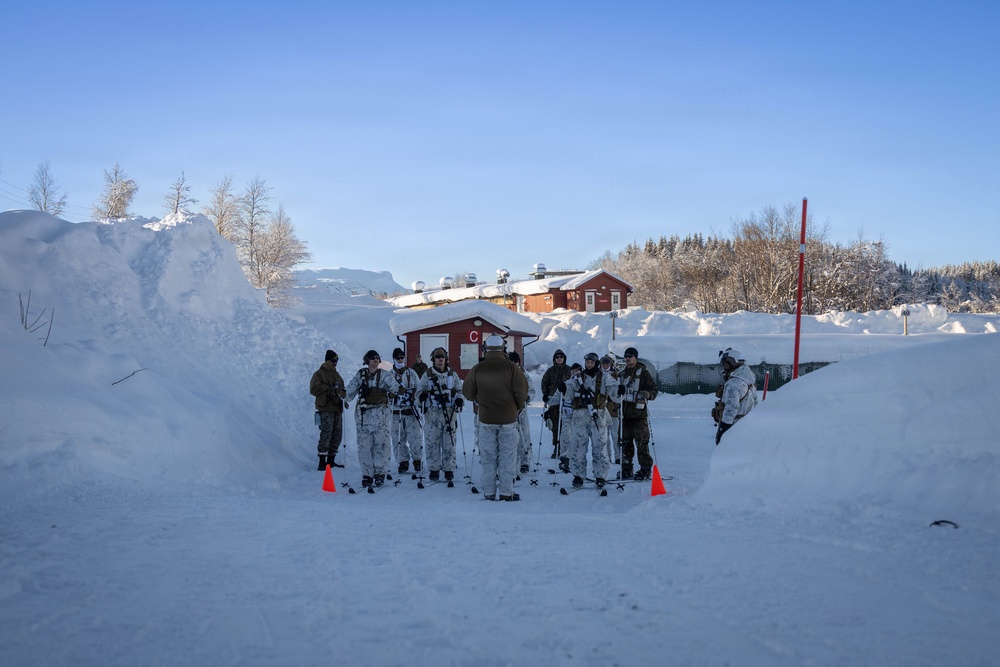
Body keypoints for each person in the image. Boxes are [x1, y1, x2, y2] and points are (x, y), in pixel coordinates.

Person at [463, 334, 529, 501]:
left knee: (488, 458)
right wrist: (516, 407)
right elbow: (522, 392)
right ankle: (507, 493)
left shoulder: (478, 368)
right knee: (507, 457)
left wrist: (479, 399)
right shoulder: (513, 368)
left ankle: (489, 493)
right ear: (503, 348)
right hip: (508, 420)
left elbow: (467, 392)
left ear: (485, 348)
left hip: (485, 420)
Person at [345, 350, 400, 488]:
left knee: (381, 446)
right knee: (364, 447)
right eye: (372, 358)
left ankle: (380, 473)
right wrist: (342, 394)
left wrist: (392, 393)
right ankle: (367, 474)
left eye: (377, 358)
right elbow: (349, 392)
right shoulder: (360, 375)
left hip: (380, 416)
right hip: (364, 417)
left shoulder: (385, 375)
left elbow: (396, 388)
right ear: (366, 360)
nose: (375, 360)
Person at [560, 352, 615, 489]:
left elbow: (613, 390)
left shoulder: (604, 377)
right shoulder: (578, 377)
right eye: (587, 362)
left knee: (600, 447)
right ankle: (578, 475)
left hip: (598, 415)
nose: (589, 364)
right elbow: (569, 392)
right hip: (580, 416)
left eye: (592, 362)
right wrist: (564, 389)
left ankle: (601, 476)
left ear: (596, 363)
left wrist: (618, 390)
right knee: (578, 446)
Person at [418, 347, 463, 483]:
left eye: (442, 356)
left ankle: (449, 469)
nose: (440, 359)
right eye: (437, 357)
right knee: (432, 443)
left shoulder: (452, 375)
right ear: (433, 359)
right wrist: (422, 396)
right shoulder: (427, 375)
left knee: (449, 442)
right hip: (432, 415)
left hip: (449, 414)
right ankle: (434, 469)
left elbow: (460, 390)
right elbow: (419, 392)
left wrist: (460, 399)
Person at [614, 346, 658, 481]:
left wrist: (648, 394)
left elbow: (654, 390)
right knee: (625, 443)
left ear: (635, 358)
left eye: (630, 356)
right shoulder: (621, 374)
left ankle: (645, 470)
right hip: (625, 414)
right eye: (626, 356)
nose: (628, 358)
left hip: (639, 415)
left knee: (642, 443)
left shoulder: (643, 373)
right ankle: (626, 469)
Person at [309, 349, 347, 470]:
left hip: (337, 408)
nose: (335, 363)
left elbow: (342, 389)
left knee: (337, 435)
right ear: (327, 360)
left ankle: (331, 461)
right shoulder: (319, 374)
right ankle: (322, 461)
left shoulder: (337, 375)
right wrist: (329, 389)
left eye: (336, 361)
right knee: (326, 434)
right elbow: (313, 389)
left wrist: (344, 397)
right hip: (326, 408)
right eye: (332, 360)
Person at [714, 348, 758, 445]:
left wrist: (722, 431)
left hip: (734, 429)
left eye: (725, 364)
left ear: (732, 363)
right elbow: (755, 403)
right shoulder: (749, 379)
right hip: (748, 426)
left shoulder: (733, 383)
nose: (723, 368)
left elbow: (731, 409)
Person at [389, 347, 423, 474]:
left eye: (402, 357)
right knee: (398, 439)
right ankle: (402, 461)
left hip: (410, 411)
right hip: (395, 412)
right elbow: (385, 391)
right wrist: (392, 395)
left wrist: (413, 395)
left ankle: (417, 461)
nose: (400, 359)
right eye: (398, 357)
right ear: (394, 358)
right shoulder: (388, 375)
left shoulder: (411, 373)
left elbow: (419, 389)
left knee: (415, 438)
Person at [540, 349, 572, 466]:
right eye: (557, 357)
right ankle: (556, 447)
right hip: (554, 401)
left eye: (561, 357)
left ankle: (566, 449)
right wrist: (545, 394)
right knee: (555, 426)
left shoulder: (569, 370)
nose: (559, 359)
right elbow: (544, 383)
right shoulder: (550, 371)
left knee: (566, 426)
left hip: (567, 401)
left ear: (564, 358)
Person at [508, 351, 535, 474]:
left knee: (524, 436)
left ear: (518, 363)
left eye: (514, 362)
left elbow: (531, 390)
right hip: (508, 411)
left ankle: (525, 461)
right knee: (510, 437)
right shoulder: (505, 375)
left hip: (522, 411)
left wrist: (528, 398)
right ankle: (513, 461)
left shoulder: (524, 376)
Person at [600, 354, 621, 464]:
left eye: (607, 363)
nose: (605, 366)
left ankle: (618, 456)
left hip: (613, 409)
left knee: (615, 435)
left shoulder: (616, 375)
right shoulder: (598, 376)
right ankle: (607, 456)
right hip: (602, 409)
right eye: (603, 364)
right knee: (605, 436)